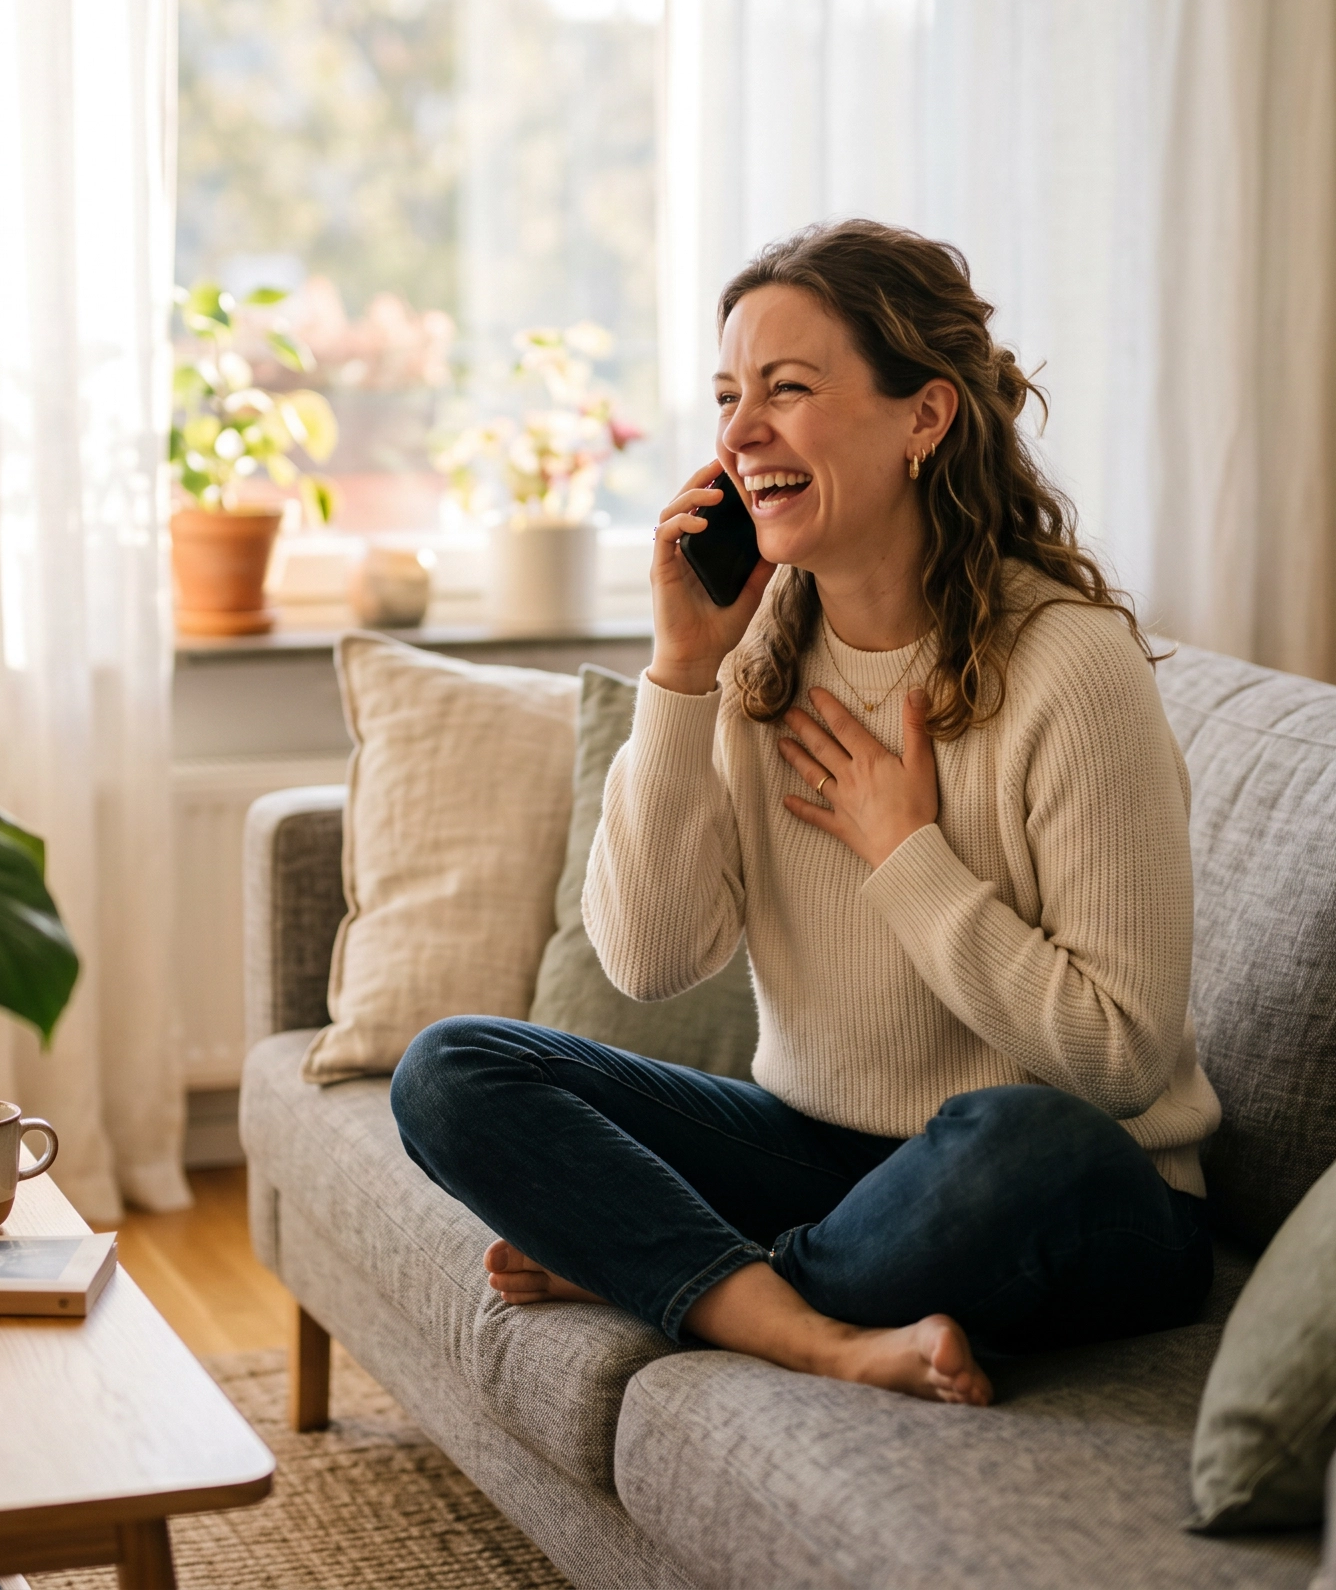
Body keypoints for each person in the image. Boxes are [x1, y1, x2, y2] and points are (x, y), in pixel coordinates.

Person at [389, 220, 1219, 1405]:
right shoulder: (757, 655)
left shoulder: (1070, 668)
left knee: (1021, 1136)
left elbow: (1121, 1058)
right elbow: (648, 958)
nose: (738, 434)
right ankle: (810, 1321)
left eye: (787, 389)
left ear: (923, 417)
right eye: (729, 395)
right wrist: (678, 672)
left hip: (1077, 1193)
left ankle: (686, 1278)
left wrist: (906, 856)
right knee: (452, 1069)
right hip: (820, 1157)